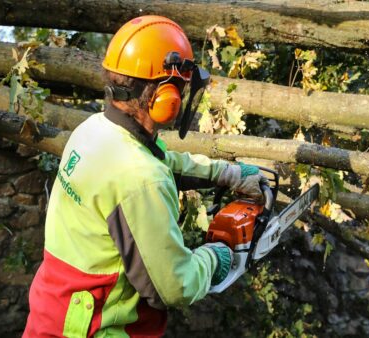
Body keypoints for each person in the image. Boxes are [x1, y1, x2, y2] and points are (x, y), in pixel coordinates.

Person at [23, 15, 266, 337]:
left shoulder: (93, 130)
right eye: (180, 89)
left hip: (53, 312)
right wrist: (214, 258)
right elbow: (174, 287)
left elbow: (159, 160)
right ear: (165, 96)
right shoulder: (140, 178)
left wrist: (225, 172)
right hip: (97, 327)